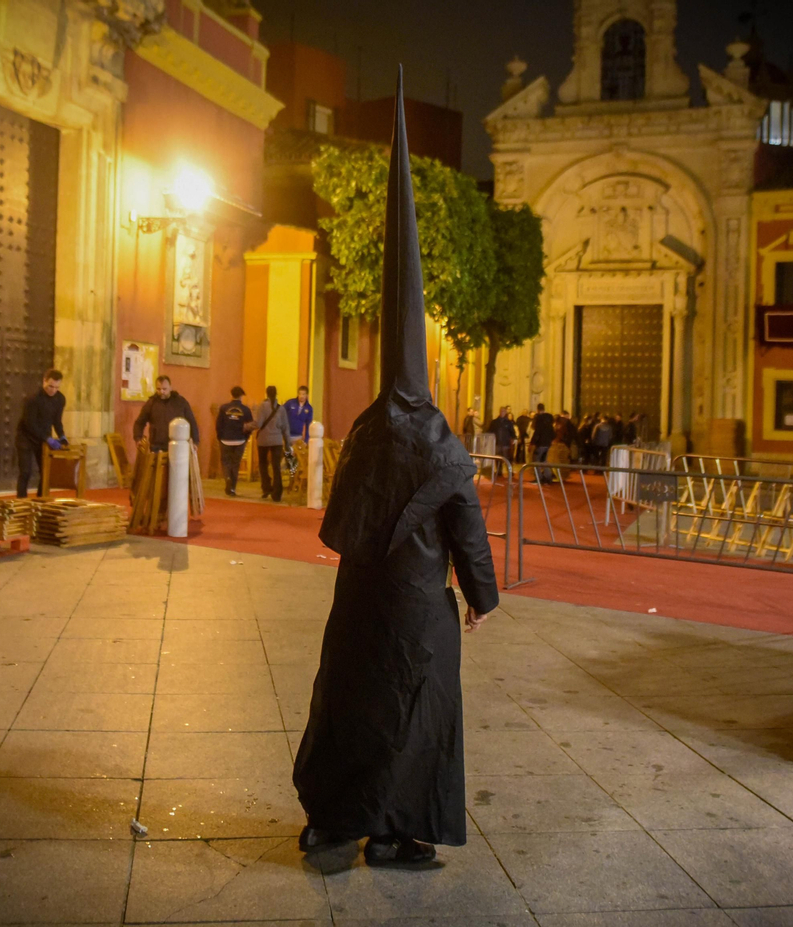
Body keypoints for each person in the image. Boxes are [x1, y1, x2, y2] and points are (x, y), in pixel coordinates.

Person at [295, 82, 498, 866]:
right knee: (418, 709)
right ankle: (395, 831)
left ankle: (332, 821)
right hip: (418, 603)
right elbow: (466, 527)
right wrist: (478, 596)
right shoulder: (443, 440)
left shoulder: (366, 428)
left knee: (351, 701)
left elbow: (338, 524)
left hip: (362, 599)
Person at [15, 369, 67, 498]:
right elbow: (30, 424)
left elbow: (57, 420)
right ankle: (21, 503)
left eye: (56, 387)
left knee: (46, 472)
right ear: (44, 381)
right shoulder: (32, 399)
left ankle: (41, 501)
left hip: (43, 438)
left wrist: (62, 436)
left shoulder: (60, 399)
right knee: (25, 472)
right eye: (50, 386)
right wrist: (48, 438)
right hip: (25, 438)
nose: (53, 390)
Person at [133, 375, 200, 451]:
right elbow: (140, 422)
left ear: (170, 388)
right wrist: (138, 438)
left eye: (164, 389)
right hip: (157, 446)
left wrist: (195, 441)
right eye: (158, 389)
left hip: (178, 446)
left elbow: (191, 421)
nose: (161, 392)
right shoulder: (151, 403)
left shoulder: (180, 402)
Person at [253, 385, 291, 501]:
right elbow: (285, 427)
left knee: (263, 464)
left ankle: (266, 487)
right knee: (276, 466)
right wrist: (288, 445)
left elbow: (258, 424)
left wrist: (246, 427)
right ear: (276, 394)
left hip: (263, 440)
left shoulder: (262, 406)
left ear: (266, 394)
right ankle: (277, 493)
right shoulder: (281, 409)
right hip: (277, 440)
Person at [216, 386, 253, 496]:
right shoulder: (246, 410)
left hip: (225, 439)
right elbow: (249, 426)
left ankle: (227, 477)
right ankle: (232, 488)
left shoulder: (224, 408)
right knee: (235, 464)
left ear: (231, 395)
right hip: (239, 440)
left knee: (226, 462)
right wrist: (246, 438)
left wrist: (220, 437)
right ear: (241, 396)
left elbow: (219, 425)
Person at [530, 403, 555, 480]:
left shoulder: (539, 418)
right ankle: (548, 476)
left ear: (538, 409)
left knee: (536, 460)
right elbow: (552, 431)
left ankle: (538, 477)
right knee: (544, 460)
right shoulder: (550, 418)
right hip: (548, 443)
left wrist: (532, 443)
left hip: (540, 443)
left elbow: (537, 432)